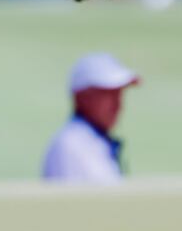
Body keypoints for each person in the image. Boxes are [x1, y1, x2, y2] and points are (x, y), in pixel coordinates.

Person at [42, 53, 140, 183]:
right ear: (81, 97)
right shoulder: (71, 146)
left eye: (118, 94)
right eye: (106, 94)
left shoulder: (92, 142)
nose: (117, 104)